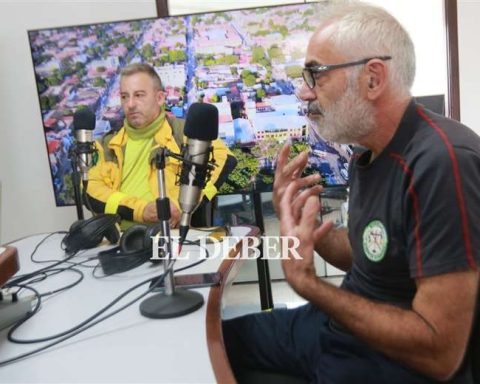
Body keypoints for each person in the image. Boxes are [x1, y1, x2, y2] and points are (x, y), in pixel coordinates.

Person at [223, 3, 480, 383]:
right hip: (335, 329)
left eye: (316, 75)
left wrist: (309, 285)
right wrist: (308, 230)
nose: (303, 93)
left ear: (373, 79)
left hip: (385, 362)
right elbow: (372, 258)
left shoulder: (442, 162)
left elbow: (439, 351)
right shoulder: (369, 153)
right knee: (215, 342)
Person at [86, 63, 236, 229]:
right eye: (124, 96)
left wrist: (185, 203)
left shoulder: (183, 133)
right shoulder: (105, 146)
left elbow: (225, 159)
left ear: (160, 98)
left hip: (172, 236)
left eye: (139, 95)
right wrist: (141, 210)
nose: (130, 104)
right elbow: (92, 191)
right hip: (120, 241)